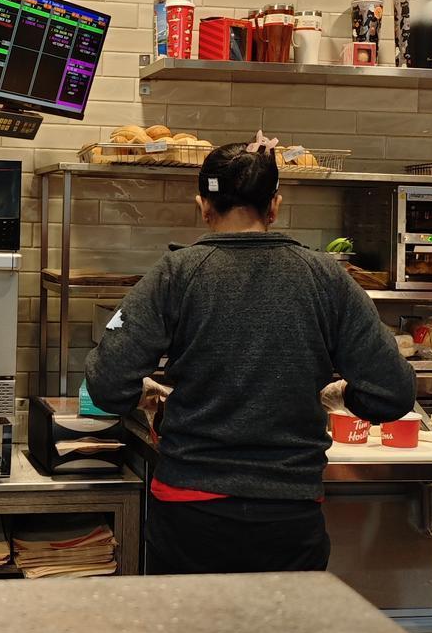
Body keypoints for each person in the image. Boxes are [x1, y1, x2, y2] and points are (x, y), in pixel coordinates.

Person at [83, 139, 415, 574]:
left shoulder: (176, 273)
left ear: (203, 206)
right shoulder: (326, 277)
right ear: (274, 205)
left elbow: (107, 383)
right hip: (289, 513)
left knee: (192, 621)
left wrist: (146, 396)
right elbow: (393, 393)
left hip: (190, 510)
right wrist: (343, 396)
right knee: (280, 622)